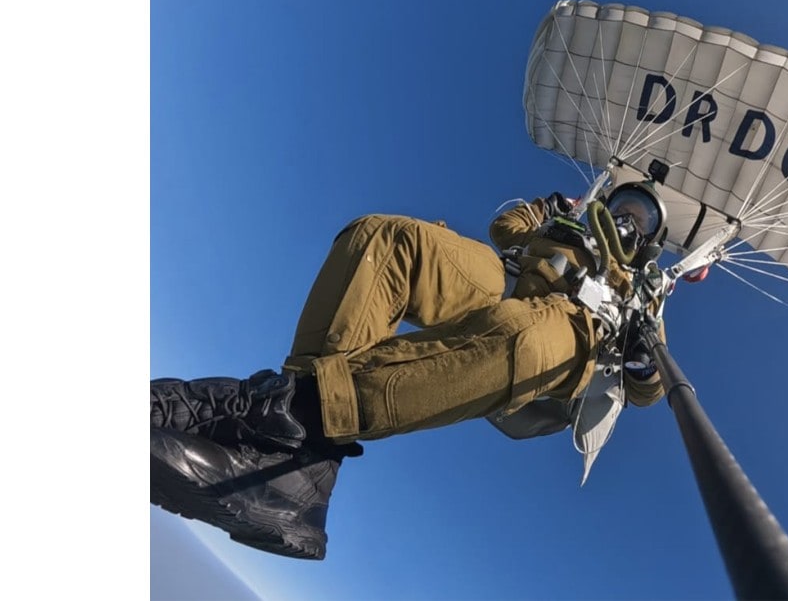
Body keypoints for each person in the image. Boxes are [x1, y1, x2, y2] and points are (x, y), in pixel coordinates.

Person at [149, 184, 668, 560]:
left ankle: (287, 417)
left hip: (573, 331)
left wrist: (644, 360)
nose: (628, 217)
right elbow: (503, 230)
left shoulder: (641, 292)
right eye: (625, 205)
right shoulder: (568, 225)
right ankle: (293, 454)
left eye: (641, 219)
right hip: (509, 279)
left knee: (524, 330)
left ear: (648, 242)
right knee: (386, 237)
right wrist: (544, 210)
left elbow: (649, 388)